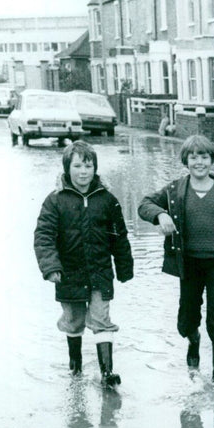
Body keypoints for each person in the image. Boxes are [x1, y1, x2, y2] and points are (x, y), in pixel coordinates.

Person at [138, 134, 214, 384]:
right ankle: (193, 341)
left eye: (203, 156)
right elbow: (144, 204)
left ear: (212, 159)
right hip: (188, 264)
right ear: (186, 161)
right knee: (187, 318)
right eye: (193, 157)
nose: (199, 162)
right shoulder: (174, 190)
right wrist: (160, 215)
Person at [34, 140, 134, 386]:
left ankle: (107, 373)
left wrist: (124, 266)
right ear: (67, 168)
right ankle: (75, 366)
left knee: (101, 319)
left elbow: (119, 236)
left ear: (95, 168)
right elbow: (44, 236)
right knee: (74, 320)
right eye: (77, 166)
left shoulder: (107, 200)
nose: (83, 171)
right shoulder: (55, 200)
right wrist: (51, 267)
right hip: (69, 273)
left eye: (88, 166)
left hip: (100, 272)